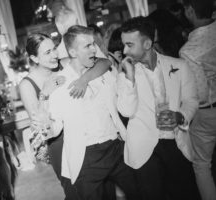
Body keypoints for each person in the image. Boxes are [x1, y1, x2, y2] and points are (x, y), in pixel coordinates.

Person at [33, 25, 140, 200]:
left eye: (93, 44)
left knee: (139, 192)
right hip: (86, 157)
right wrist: (44, 125)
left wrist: (129, 80)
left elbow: (126, 109)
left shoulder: (104, 73)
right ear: (73, 52)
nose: (94, 49)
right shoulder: (59, 84)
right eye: (87, 46)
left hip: (116, 148)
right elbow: (54, 128)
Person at [19, 33, 112, 200]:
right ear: (34, 58)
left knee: (102, 187)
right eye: (47, 52)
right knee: (75, 191)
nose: (54, 55)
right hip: (59, 142)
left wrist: (84, 79)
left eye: (54, 49)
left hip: (86, 133)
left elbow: (105, 62)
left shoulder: (65, 63)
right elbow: (39, 123)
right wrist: (45, 93)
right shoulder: (27, 84)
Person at [118, 16, 200, 200]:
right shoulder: (125, 73)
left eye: (129, 45)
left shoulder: (179, 65)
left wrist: (180, 116)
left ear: (147, 43)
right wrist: (129, 79)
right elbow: (126, 111)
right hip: (144, 150)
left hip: (175, 143)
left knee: (186, 193)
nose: (124, 50)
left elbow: (191, 100)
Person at [179, 0, 216, 199]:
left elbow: (200, 95)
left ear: (190, 11)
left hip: (210, 111)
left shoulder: (189, 50)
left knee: (202, 165)